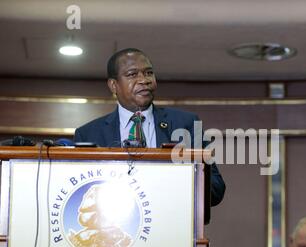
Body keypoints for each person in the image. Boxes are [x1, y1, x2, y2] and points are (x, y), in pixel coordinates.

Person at [74, 48, 226, 213]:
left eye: (148, 73)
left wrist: (178, 180)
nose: (144, 80)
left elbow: (216, 188)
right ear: (113, 85)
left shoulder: (186, 123)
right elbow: (81, 194)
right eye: (132, 74)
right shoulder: (89, 134)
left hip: (171, 225)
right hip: (116, 229)